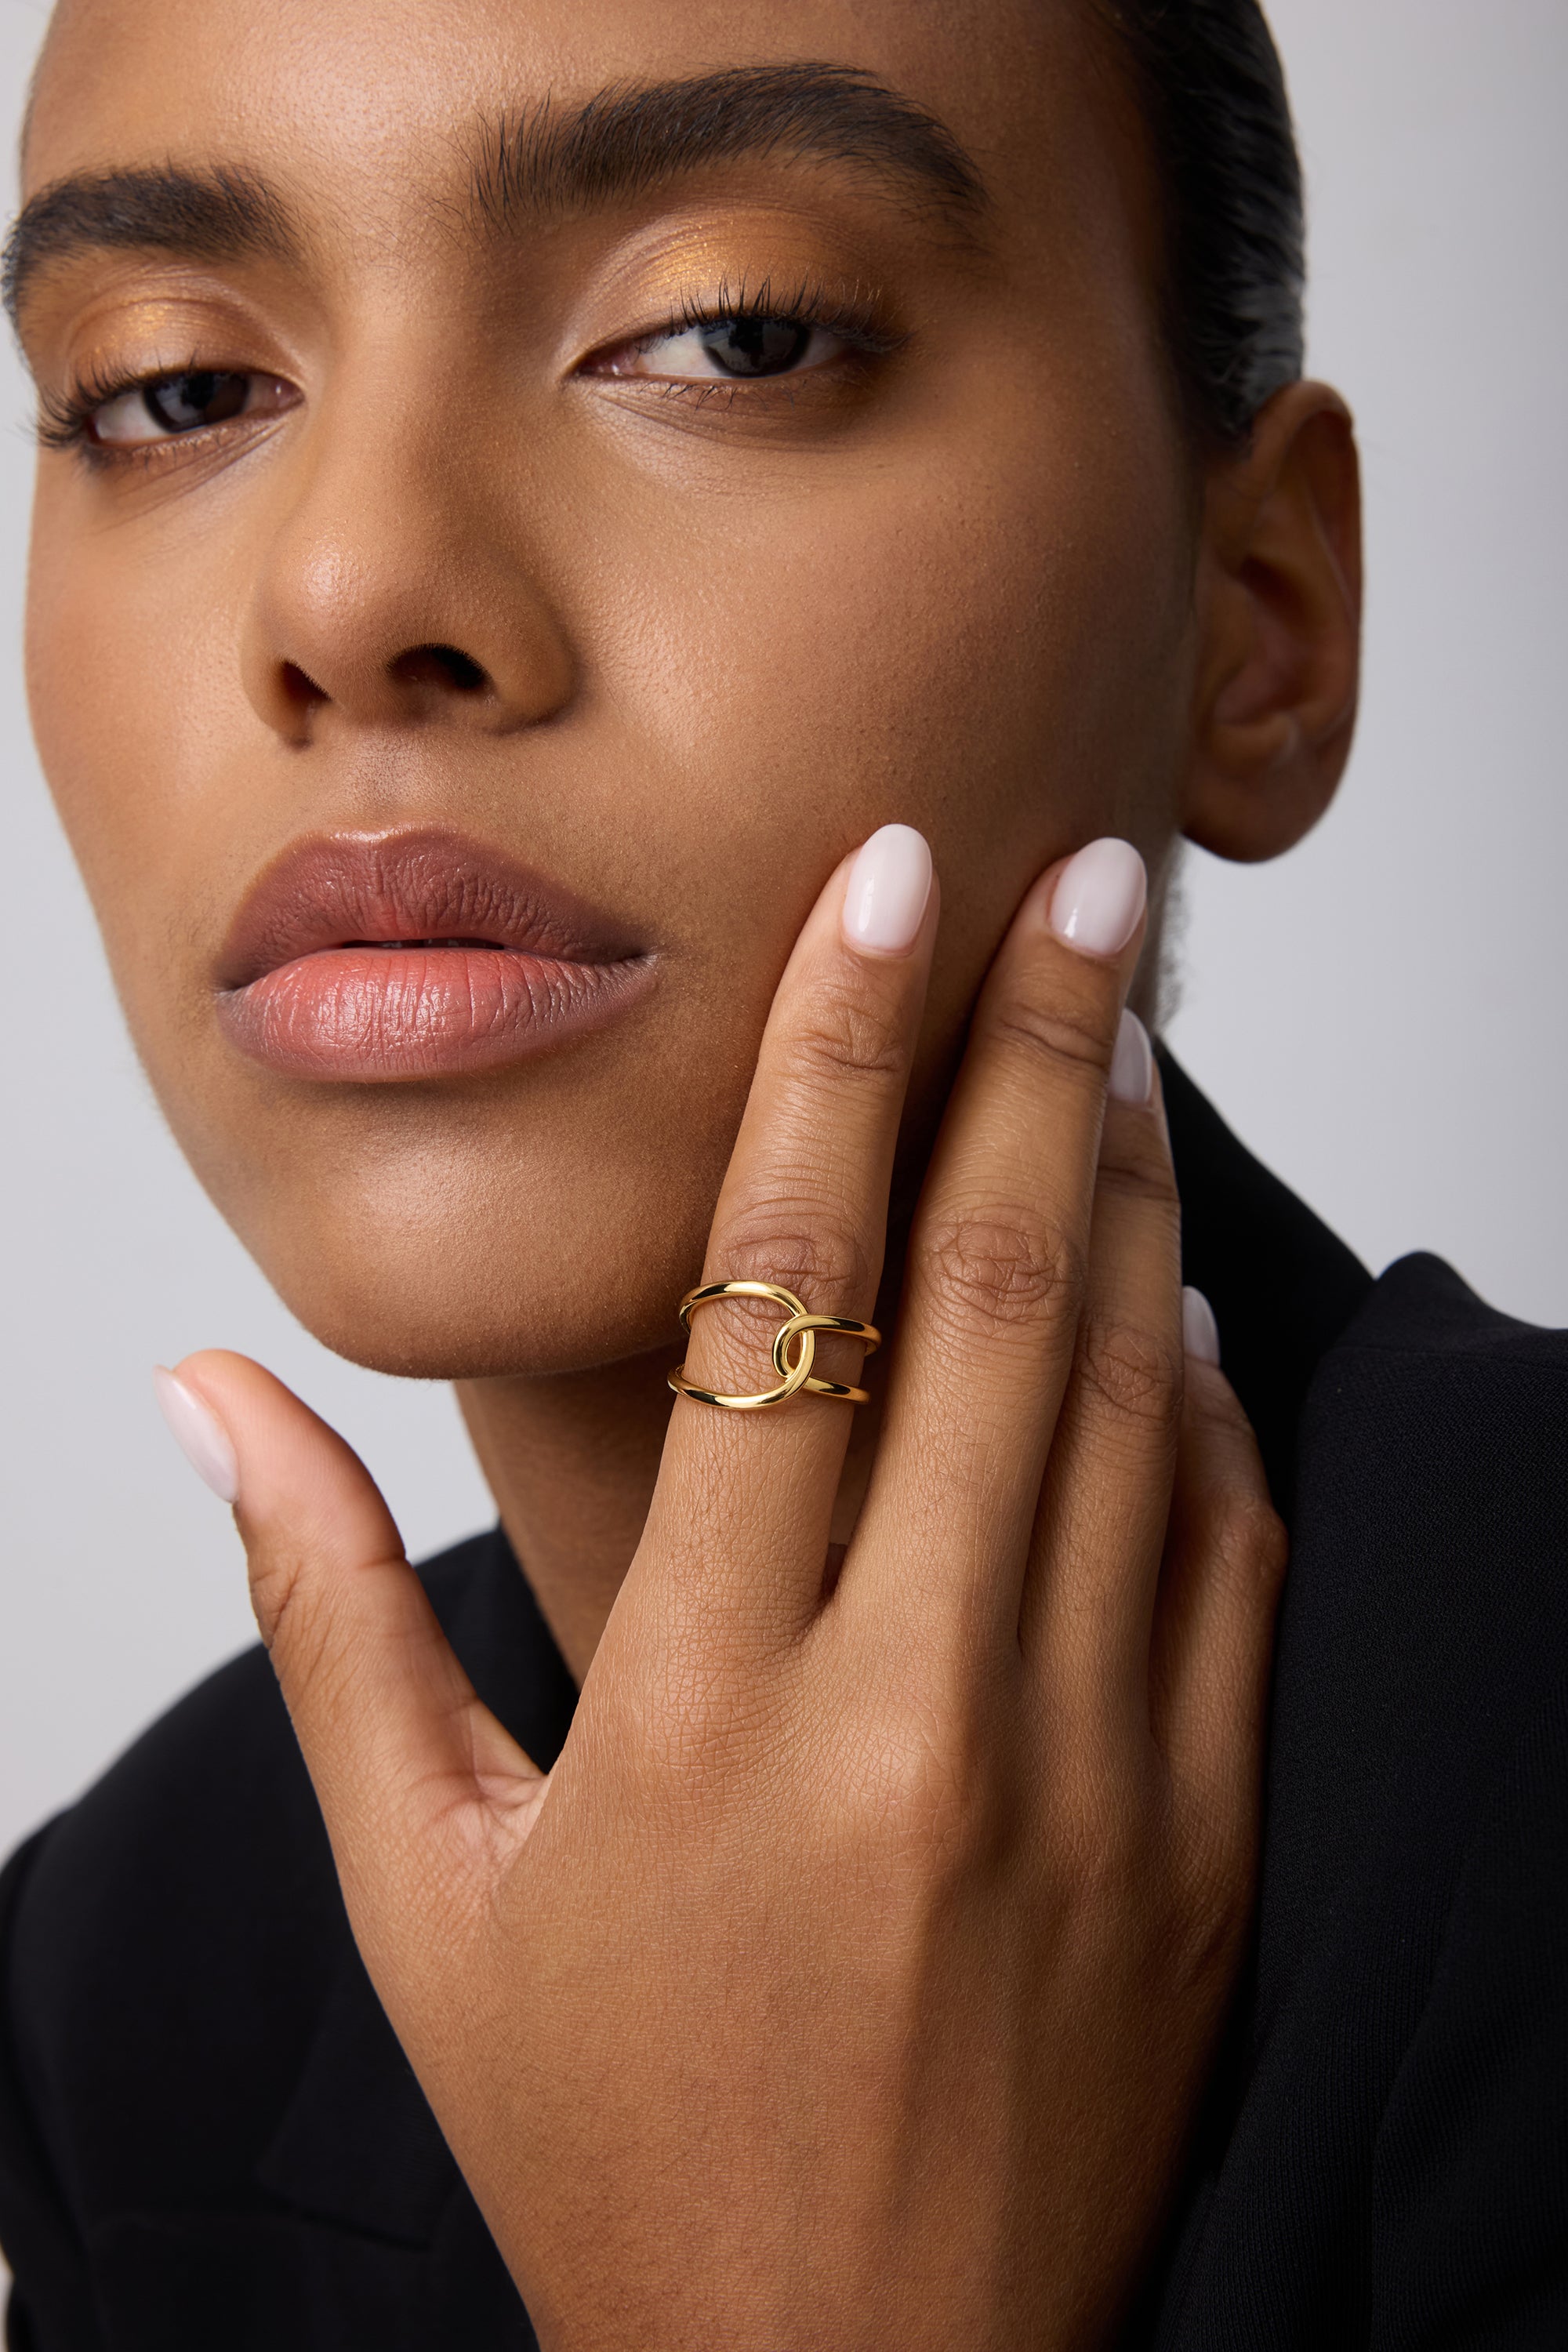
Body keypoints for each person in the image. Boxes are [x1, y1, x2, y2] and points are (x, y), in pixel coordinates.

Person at [0, 0, 1563, 2343]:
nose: (346, 598)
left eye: (733, 331)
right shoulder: (138, 1978)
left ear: (1261, 621)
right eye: (174, 391)